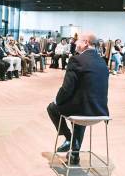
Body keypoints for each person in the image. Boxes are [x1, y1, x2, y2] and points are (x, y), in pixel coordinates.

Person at [46, 33, 109, 165]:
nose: (75, 43)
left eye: (78, 41)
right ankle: (74, 154)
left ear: (86, 42)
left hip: (84, 111)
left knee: (52, 107)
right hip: (100, 111)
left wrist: (58, 101)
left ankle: (70, 140)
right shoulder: (103, 62)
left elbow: (66, 89)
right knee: (82, 108)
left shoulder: (76, 60)